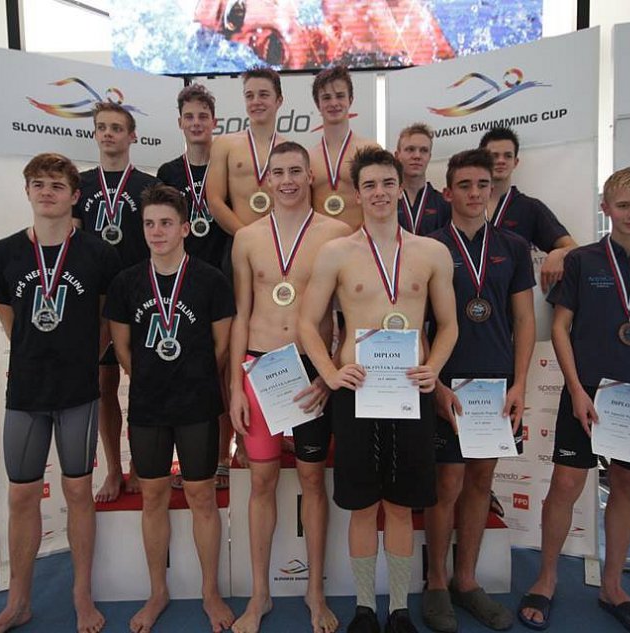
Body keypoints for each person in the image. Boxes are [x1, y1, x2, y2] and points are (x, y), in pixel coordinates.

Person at [517, 167, 630, 633]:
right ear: (606, 208)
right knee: (565, 485)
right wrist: (577, 389)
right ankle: (546, 577)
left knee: (627, 487)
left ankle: (613, 586)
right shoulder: (582, 261)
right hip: (586, 394)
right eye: (623, 205)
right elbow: (560, 327)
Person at [299, 147, 458, 633]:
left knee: (401, 506)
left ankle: (400, 610)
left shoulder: (431, 252)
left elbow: (449, 325)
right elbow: (306, 323)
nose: (380, 193)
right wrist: (330, 373)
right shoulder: (336, 253)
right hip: (358, 390)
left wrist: (433, 369)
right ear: (357, 193)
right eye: (369, 185)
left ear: (400, 186)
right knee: (363, 505)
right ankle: (366, 608)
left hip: (410, 390)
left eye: (388, 183)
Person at [0, 152, 120, 633]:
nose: (47, 192)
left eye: (57, 185)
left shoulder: (97, 254)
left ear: (74, 196)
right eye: (38, 184)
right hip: (26, 391)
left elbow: (105, 320)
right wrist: (34, 353)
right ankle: (18, 601)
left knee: (78, 490)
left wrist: (80, 357)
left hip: (78, 390)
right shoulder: (3, 253)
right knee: (22, 495)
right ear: (27, 191)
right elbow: (8, 316)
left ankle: (82, 595)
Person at [229, 142, 350, 633]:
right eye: (277, 172)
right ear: (267, 181)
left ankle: (314, 591)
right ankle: (259, 595)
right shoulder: (247, 238)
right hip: (260, 368)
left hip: (309, 371)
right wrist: (235, 386)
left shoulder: (337, 234)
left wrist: (328, 372)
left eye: (295, 171)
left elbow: (345, 316)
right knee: (261, 481)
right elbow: (240, 315)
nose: (286, 181)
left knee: (312, 480)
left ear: (310, 176)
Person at [104, 185, 236, 633]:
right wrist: (152, 380)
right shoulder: (126, 283)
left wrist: (190, 377)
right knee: (153, 496)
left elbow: (221, 346)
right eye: (149, 224)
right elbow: (122, 348)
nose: (157, 231)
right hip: (148, 406)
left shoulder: (210, 280)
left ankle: (210, 592)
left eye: (165, 223)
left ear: (184, 228)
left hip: (198, 404)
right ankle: (157, 591)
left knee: (202, 497)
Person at [422, 149, 536, 633]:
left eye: (482, 185)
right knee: (446, 483)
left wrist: (520, 384)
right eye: (464, 185)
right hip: (447, 382)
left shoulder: (513, 247)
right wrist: (434, 383)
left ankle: (465, 581)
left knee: (481, 481)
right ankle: (436, 581)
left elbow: (525, 320)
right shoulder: (428, 246)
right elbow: (417, 322)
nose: (474, 193)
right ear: (447, 192)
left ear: (492, 188)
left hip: (495, 385)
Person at [73, 101, 159, 502]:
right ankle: (113, 469)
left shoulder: (148, 185)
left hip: (140, 297)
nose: (108, 134)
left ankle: (141, 464)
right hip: (96, 298)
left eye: (117, 128)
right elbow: (72, 244)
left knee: (143, 383)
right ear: (95, 133)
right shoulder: (81, 184)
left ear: (132, 136)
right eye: (102, 127)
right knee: (105, 385)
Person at [157, 83, 233, 488]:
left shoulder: (229, 163)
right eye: (190, 117)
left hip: (225, 278)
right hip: (183, 285)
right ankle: (189, 460)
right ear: (180, 123)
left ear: (214, 121)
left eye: (203, 116)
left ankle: (223, 457)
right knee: (189, 369)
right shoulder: (169, 172)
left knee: (224, 371)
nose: (197, 122)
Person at [478, 126, 577, 292]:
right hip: (469, 296)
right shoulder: (466, 204)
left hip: (514, 296)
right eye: (494, 155)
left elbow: (573, 247)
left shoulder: (529, 207)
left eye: (508, 156)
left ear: (515, 162)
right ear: (482, 160)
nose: (501, 160)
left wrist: (559, 254)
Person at [206, 66, 285, 234]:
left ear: (279, 101)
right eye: (249, 96)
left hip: (281, 241)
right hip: (239, 238)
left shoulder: (289, 150)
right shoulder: (224, 144)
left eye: (263, 95)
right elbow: (214, 201)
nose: (256, 101)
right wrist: (246, 237)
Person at [309, 65, 378, 232]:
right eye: (326, 98)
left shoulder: (370, 150)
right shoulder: (308, 157)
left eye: (340, 96)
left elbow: (380, 201)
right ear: (318, 104)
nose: (334, 103)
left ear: (350, 100)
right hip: (322, 243)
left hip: (361, 242)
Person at [393, 123, 451, 236]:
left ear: (429, 156)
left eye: (424, 150)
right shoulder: (386, 200)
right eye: (410, 149)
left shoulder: (444, 204)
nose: (417, 156)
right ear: (397, 155)